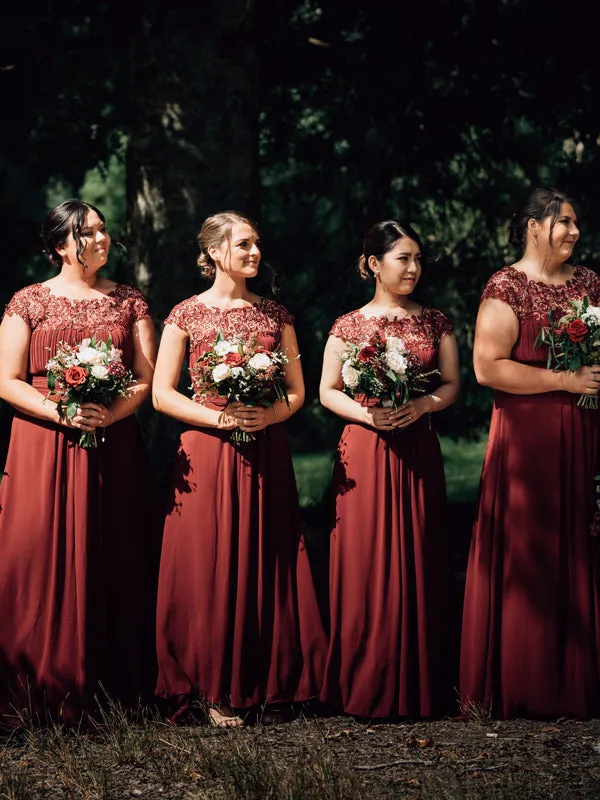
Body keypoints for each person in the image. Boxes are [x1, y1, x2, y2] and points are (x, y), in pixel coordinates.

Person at [153, 210, 326, 726]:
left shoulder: (276, 315)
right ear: (212, 254)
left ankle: (272, 679)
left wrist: (270, 413)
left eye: (257, 244)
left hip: (264, 449)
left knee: (267, 553)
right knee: (206, 561)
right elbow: (162, 395)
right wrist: (219, 418)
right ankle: (209, 685)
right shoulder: (185, 314)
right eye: (244, 245)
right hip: (206, 450)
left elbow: (297, 392)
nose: (254, 253)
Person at [0, 200, 158, 723]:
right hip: (43, 441)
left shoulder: (129, 300)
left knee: (114, 549)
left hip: (112, 441)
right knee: (35, 553)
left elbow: (145, 377)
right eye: (86, 232)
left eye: (102, 229)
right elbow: (6, 381)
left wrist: (107, 414)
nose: (100, 239)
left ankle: (114, 687)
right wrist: (60, 411)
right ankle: (36, 684)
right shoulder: (28, 302)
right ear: (59, 245)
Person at [460, 187, 600, 719]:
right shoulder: (506, 285)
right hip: (529, 436)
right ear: (534, 226)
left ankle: (578, 677)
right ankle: (528, 680)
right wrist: (566, 378)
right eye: (565, 222)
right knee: (531, 539)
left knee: (582, 535)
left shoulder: (589, 282)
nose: (574, 232)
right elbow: (488, 368)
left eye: (577, 223)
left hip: (585, 428)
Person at [319, 219, 460, 718]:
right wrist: (369, 415)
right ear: (374, 265)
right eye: (404, 259)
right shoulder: (348, 325)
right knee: (364, 559)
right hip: (365, 451)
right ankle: (363, 681)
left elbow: (451, 386)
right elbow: (327, 389)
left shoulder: (435, 322)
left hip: (418, 447)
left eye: (419, 259)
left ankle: (421, 681)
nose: (414, 268)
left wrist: (423, 406)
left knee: (420, 551)